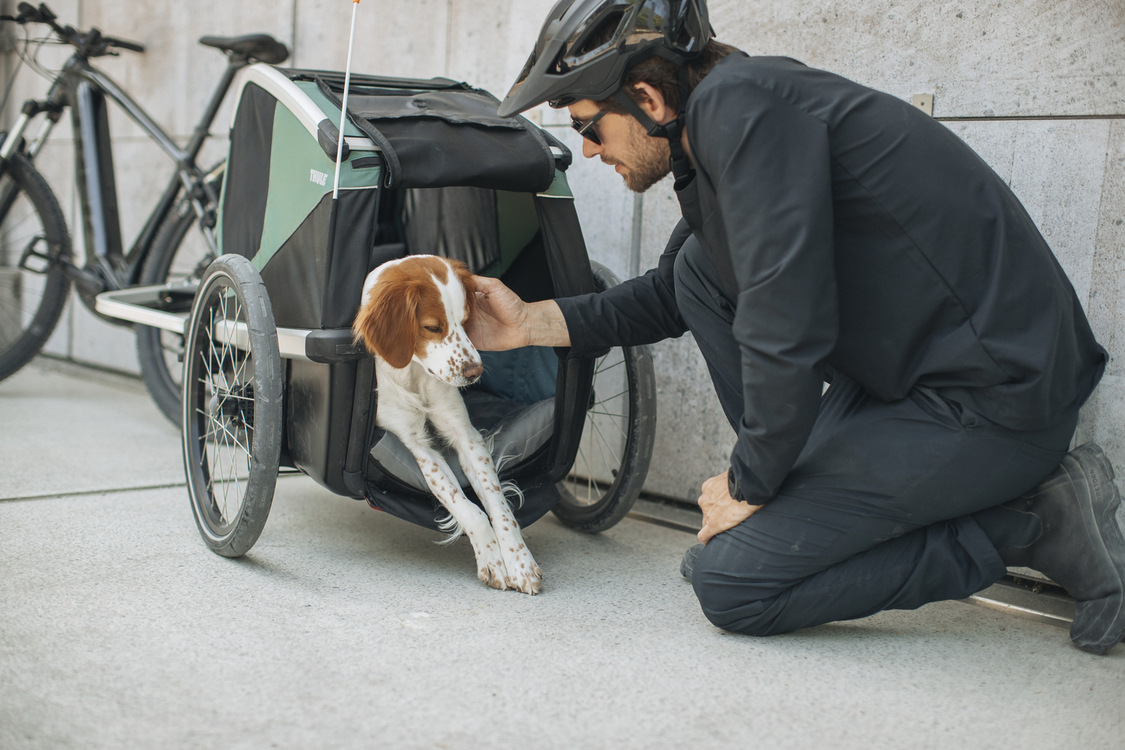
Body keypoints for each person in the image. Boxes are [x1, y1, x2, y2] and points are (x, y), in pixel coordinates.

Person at [473, 0, 1125, 654]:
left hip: (994, 399)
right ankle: (791, 502)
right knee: (699, 270)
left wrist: (748, 483)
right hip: (908, 384)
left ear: (645, 96)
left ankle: (1034, 522)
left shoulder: (744, 110)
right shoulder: (728, 125)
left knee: (733, 584)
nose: (587, 151)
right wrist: (528, 322)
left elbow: (784, 315)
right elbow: (675, 296)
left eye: (588, 126)